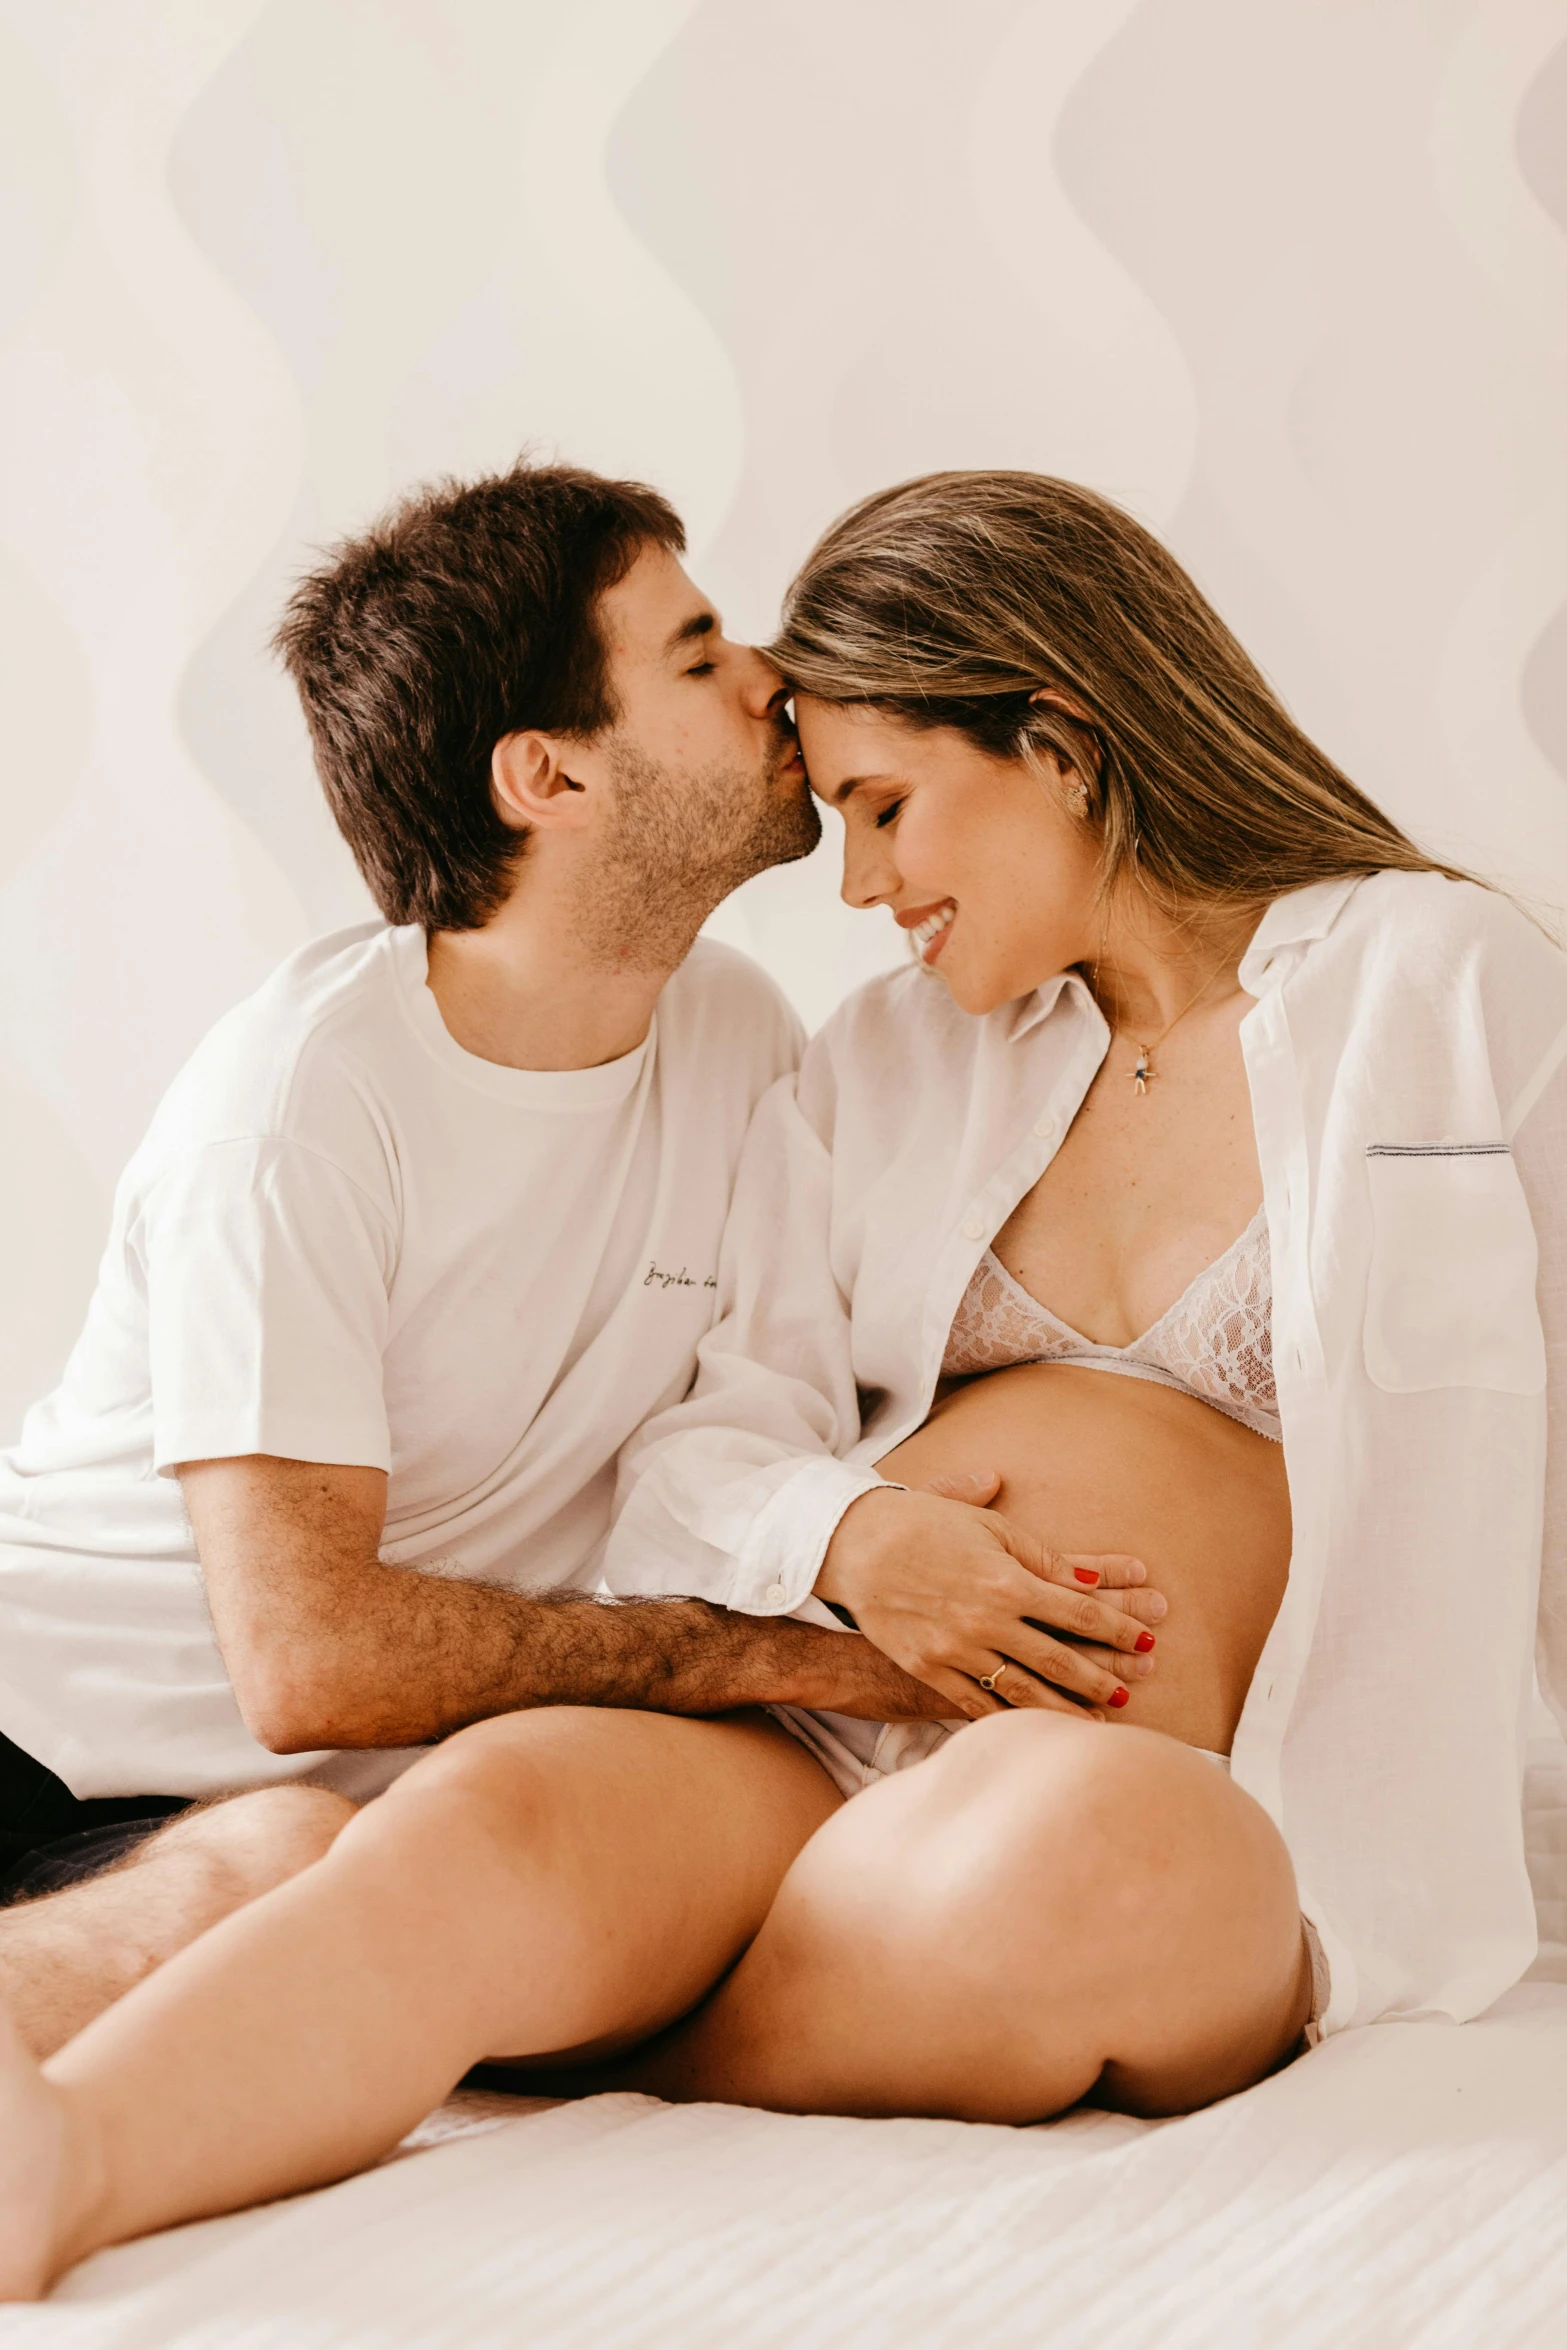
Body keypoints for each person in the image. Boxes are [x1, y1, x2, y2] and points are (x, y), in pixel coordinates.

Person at [6, 469, 1563, 2300]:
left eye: (887, 808)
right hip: (816, 1738)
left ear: (1061, 740)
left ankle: (598, 2030)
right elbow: (701, 1444)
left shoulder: (1437, 988)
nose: (861, 881)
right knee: (499, 1807)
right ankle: (65, 2171)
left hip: (1197, 1789)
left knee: (1080, 1853)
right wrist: (859, 1531)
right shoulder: (885, 1058)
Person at [6, 461, 1137, 2062]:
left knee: (328, 1874)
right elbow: (313, 1659)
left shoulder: (737, 1033)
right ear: (546, 775)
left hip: (336, 1804)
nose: (775, 681)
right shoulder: (299, 1114)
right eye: (696, 654)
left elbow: (783, 1402)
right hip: (49, 1751)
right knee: (275, 1864)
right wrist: (780, 1655)